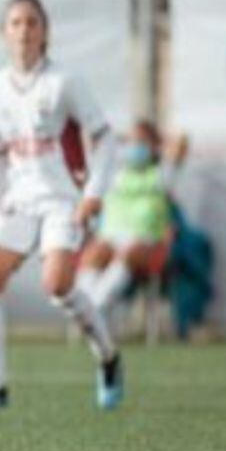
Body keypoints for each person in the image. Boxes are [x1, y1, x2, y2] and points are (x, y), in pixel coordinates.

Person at [0, 0, 124, 414]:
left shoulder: (64, 81)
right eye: (15, 23)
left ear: (45, 32)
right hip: (18, 200)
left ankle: (108, 357)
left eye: (32, 22)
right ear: (4, 33)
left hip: (63, 199)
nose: (24, 30)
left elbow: (104, 140)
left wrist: (94, 194)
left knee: (58, 285)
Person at [78, 121, 189, 325]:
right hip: (110, 238)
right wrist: (120, 138)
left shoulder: (162, 175)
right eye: (131, 142)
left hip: (147, 243)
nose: (134, 146)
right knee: (94, 252)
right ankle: (88, 310)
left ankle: (94, 310)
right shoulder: (115, 174)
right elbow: (87, 142)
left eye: (140, 142)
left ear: (154, 145)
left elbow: (181, 140)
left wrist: (158, 139)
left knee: (129, 251)